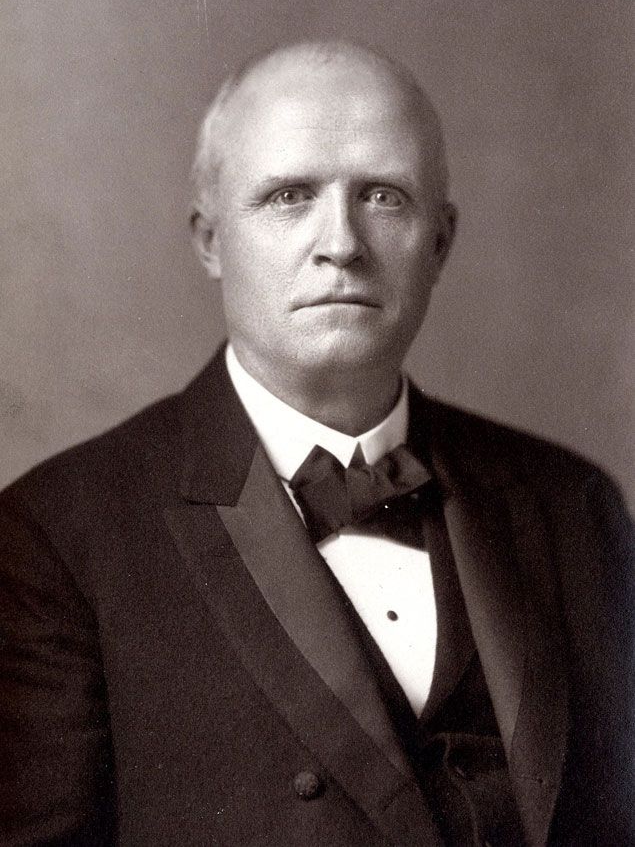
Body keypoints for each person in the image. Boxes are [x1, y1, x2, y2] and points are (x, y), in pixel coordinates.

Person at [0, 41, 632, 847]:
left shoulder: (572, 503)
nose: (341, 243)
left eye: (383, 196)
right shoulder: (55, 537)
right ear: (210, 241)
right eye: (288, 196)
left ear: (440, 242)